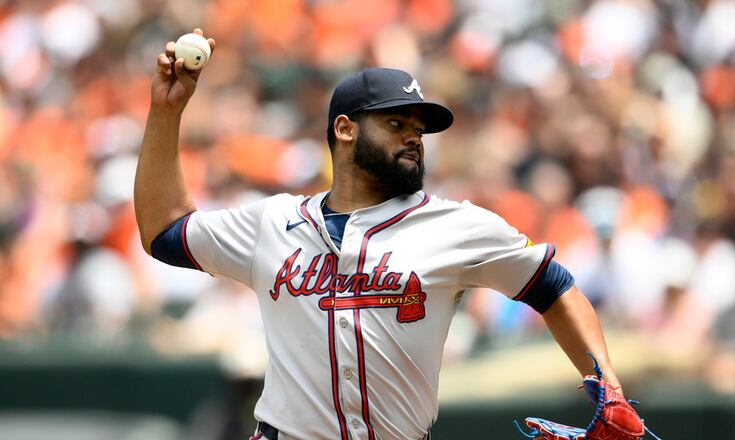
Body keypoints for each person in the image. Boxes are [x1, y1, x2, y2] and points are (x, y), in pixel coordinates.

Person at [135, 29, 627, 440]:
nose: (414, 137)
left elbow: (554, 285)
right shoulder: (272, 223)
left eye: (419, 128)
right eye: (396, 123)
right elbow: (164, 231)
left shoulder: (457, 225)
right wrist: (166, 111)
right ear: (345, 130)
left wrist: (608, 384)